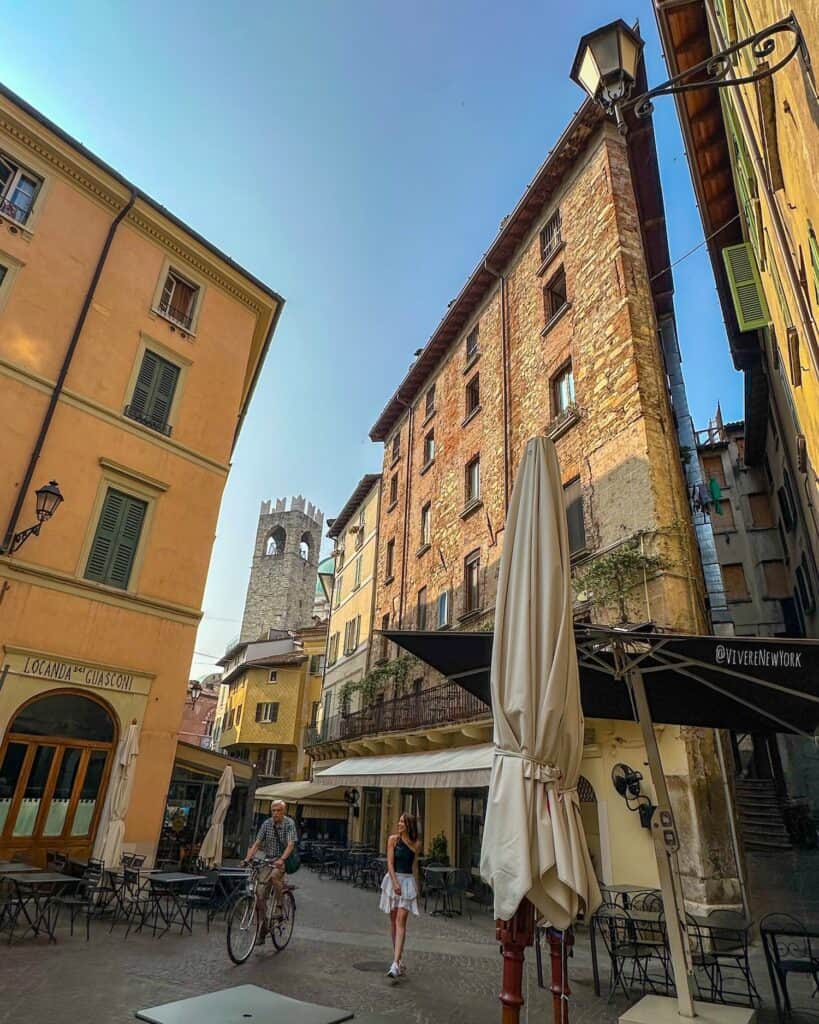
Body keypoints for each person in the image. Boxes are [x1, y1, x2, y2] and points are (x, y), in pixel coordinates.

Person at [244, 799, 297, 944]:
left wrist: (282, 859)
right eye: (273, 810)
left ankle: (280, 906)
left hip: (282, 860)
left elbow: (291, 844)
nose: (275, 813)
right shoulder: (266, 824)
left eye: (279, 810)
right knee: (259, 895)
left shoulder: (289, 824)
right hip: (268, 860)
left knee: (275, 877)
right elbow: (257, 843)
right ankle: (263, 928)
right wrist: (247, 859)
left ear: (284, 811)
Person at [379, 812, 421, 979]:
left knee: (400, 921)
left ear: (409, 825)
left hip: (408, 882)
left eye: (402, 822)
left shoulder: (416, 844)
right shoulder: (392, 840)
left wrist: (417, 887)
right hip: (393, 879)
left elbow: (414, 865)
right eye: (399, 821)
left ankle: (395, 964)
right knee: (394, 922)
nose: (399, 824)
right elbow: (389, 862)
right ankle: (399, 958)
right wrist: (395, 882)